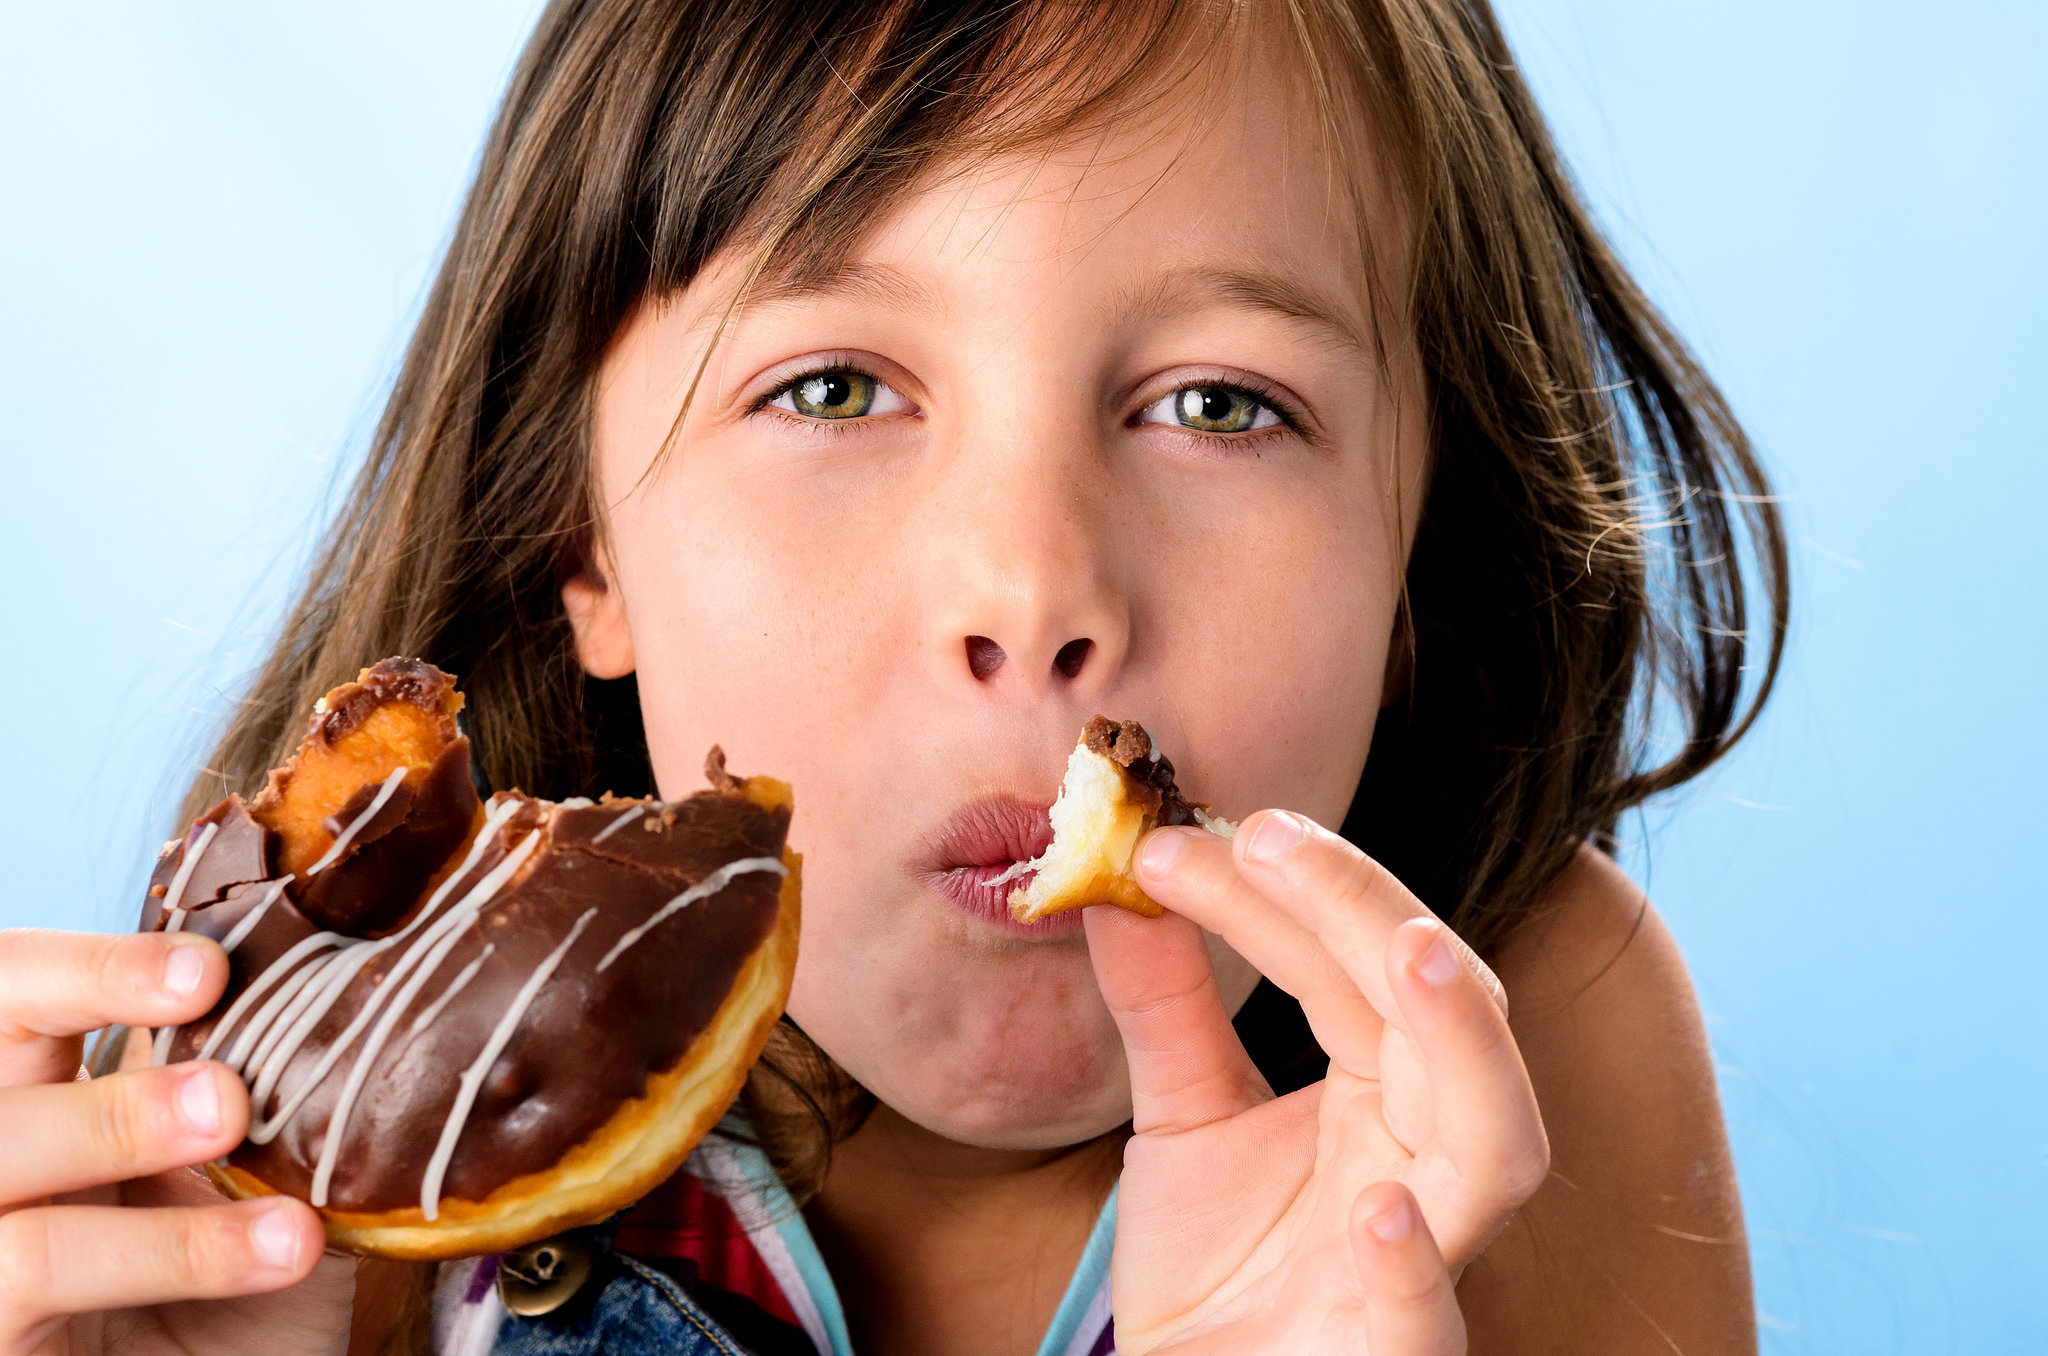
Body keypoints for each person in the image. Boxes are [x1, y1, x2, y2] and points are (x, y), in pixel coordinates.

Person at [0, 0, 1788, 1352]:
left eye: (1222, 405)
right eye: (837, 389)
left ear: (1418, 558)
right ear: (581, 542)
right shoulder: (299, 1130)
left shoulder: (1510, 1063)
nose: (1032, 593)